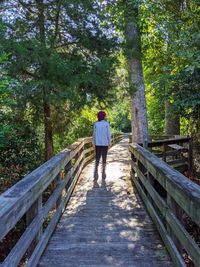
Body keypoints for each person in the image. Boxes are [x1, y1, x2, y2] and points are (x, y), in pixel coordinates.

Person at [92, 111, 111, 179]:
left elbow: (94, 134)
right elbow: (108, 134)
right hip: (105, 143)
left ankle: (96, 171)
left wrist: (93, 142)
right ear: (104, 116)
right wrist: (110, 142)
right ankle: (103, 172)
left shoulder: (96, 124)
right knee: (104, 158)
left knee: (97, 157)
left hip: (98, 143)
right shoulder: (106, 124)